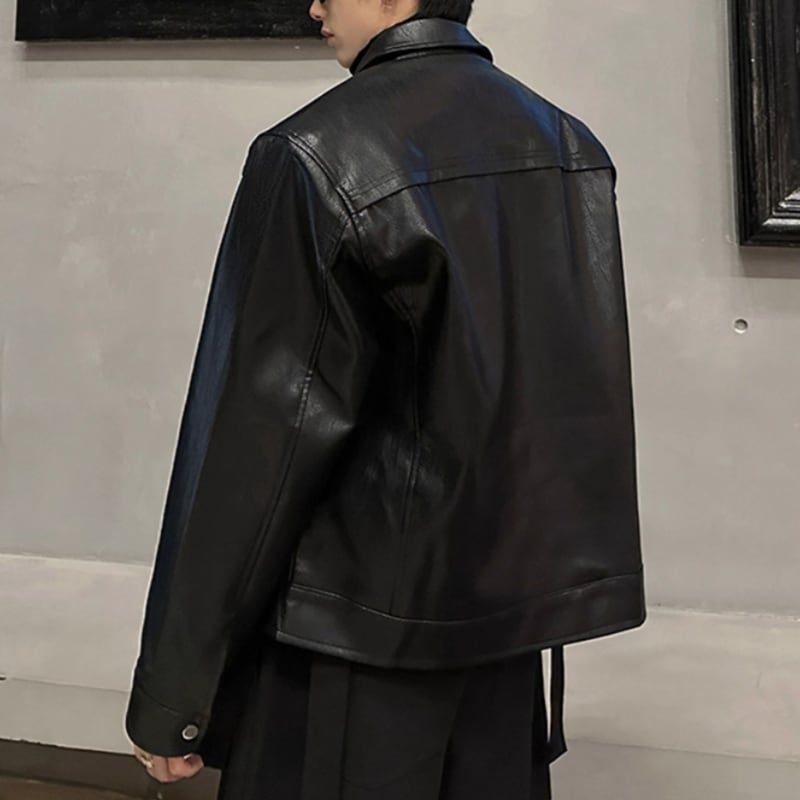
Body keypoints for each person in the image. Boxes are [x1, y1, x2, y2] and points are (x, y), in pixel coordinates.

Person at [126, 0, 645, 797]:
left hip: (351, 651)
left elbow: (255, 447)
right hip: (506, 653)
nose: (314, 5)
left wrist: (175, 693)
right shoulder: (568, 147)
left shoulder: (315, 155)